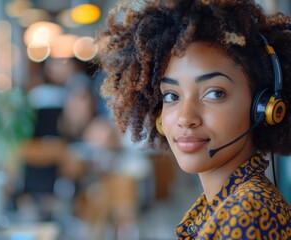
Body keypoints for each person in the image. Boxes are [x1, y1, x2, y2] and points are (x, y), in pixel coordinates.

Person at [96, 0, 291, 239]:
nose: (185, 118)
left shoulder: (246, 214)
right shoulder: (223, 202)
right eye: (171, 96)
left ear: (264, 107)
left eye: (214, 93)